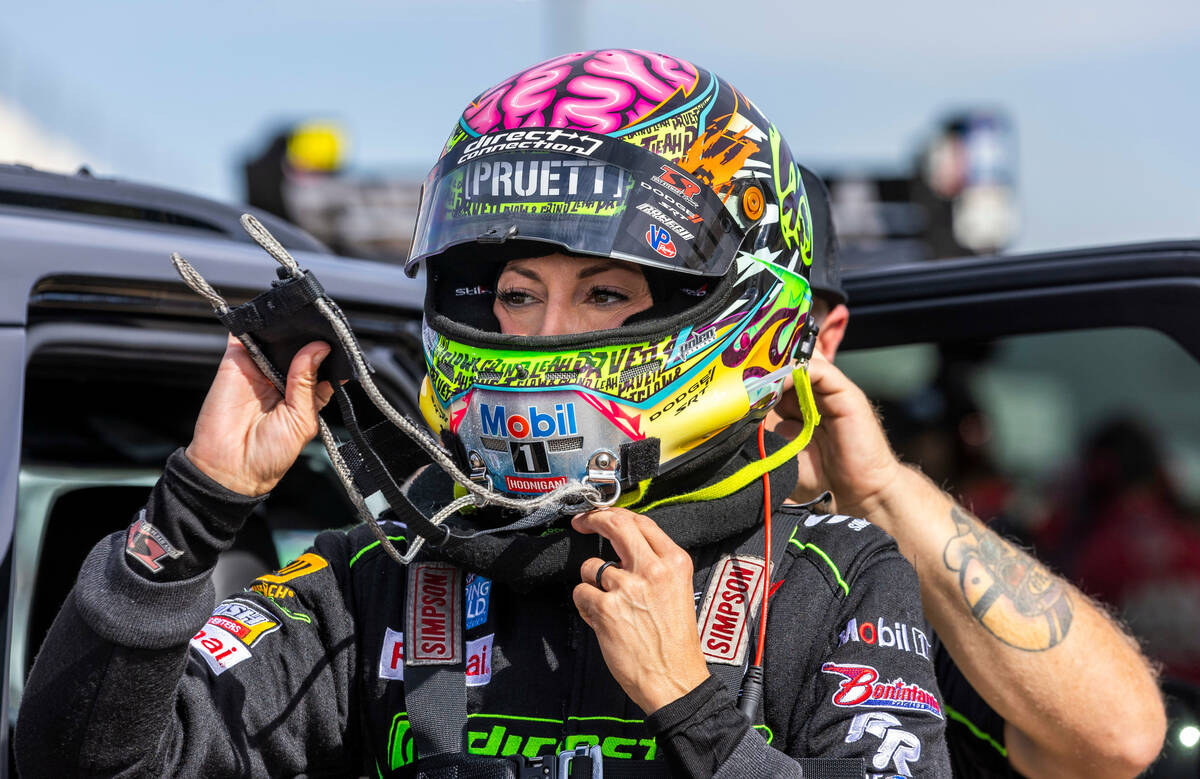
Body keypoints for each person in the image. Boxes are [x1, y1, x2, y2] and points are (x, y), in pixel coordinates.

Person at [16, 51, 953, 777]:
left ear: (736, 308)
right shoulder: (381, 571)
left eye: (603, 294)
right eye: (515, 292)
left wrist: (695, 709)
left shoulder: (831, 578)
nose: (542, 334)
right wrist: (193, 508)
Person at [769, 171, 1166, 777]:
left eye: (764, 313)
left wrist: (879, 490)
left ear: (826, 337)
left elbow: (1119, 738)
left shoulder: (877, 576)